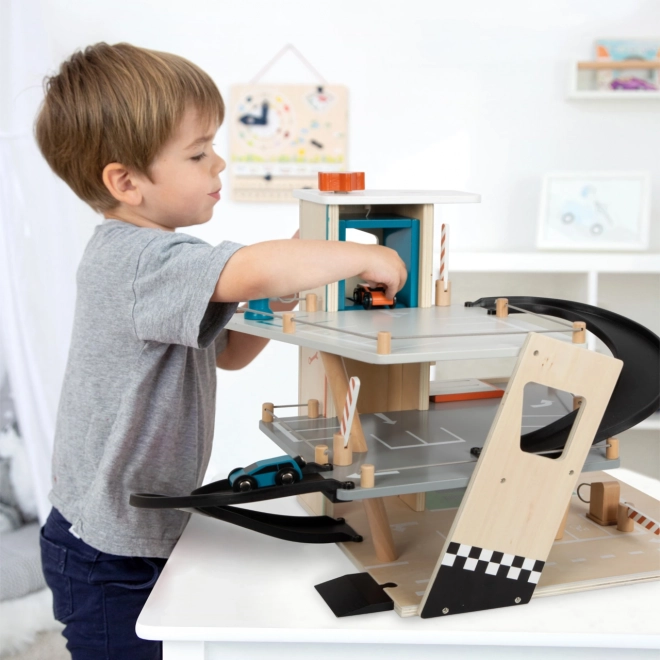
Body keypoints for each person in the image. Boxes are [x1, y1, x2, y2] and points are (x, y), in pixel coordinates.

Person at [35, 42, 406, 659]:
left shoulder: (161, 269)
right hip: (107, 550)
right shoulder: (140, 259)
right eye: (198, 153)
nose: (220, 163)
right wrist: (362, 256)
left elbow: (229, 351)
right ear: (126, 182)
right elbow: (251, 269)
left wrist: (284, 289)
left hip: (137, 529)